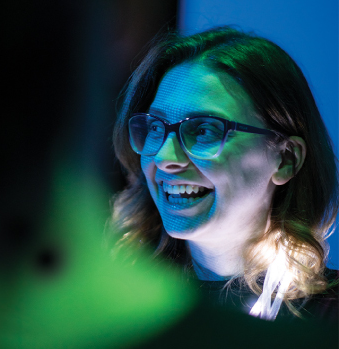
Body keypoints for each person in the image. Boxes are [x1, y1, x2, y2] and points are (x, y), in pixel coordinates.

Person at [111, 26, 338, 321]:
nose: (165, 158)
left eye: (204, 130)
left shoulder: (328, 322)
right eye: (155, 128)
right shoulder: (106, 307)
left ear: (285, 159)